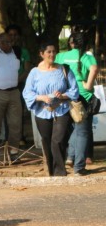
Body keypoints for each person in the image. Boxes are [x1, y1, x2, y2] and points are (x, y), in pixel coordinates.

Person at [23, 42, 79, 176]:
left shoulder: (64, 69)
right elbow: (27, 92)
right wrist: (41, 97)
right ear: (41, 54)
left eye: (54, 51)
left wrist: (63, 95)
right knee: (47, 141)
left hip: (62, 109)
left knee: (58, 140)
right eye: (49, 52)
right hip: (43, 111)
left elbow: (74, 90)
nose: (52, 54)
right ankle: (51, 171)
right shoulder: (34, 72)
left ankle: (60, 172)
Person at [56, 32, 99, 174]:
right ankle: (79, 167)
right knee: (83, 132)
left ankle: (70, 157)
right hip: (83, 97)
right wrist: (88, 85)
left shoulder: (62, 56)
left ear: (71, 43)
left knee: (74, 128)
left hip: (65, 97)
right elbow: (94, 68)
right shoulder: (87, 57)